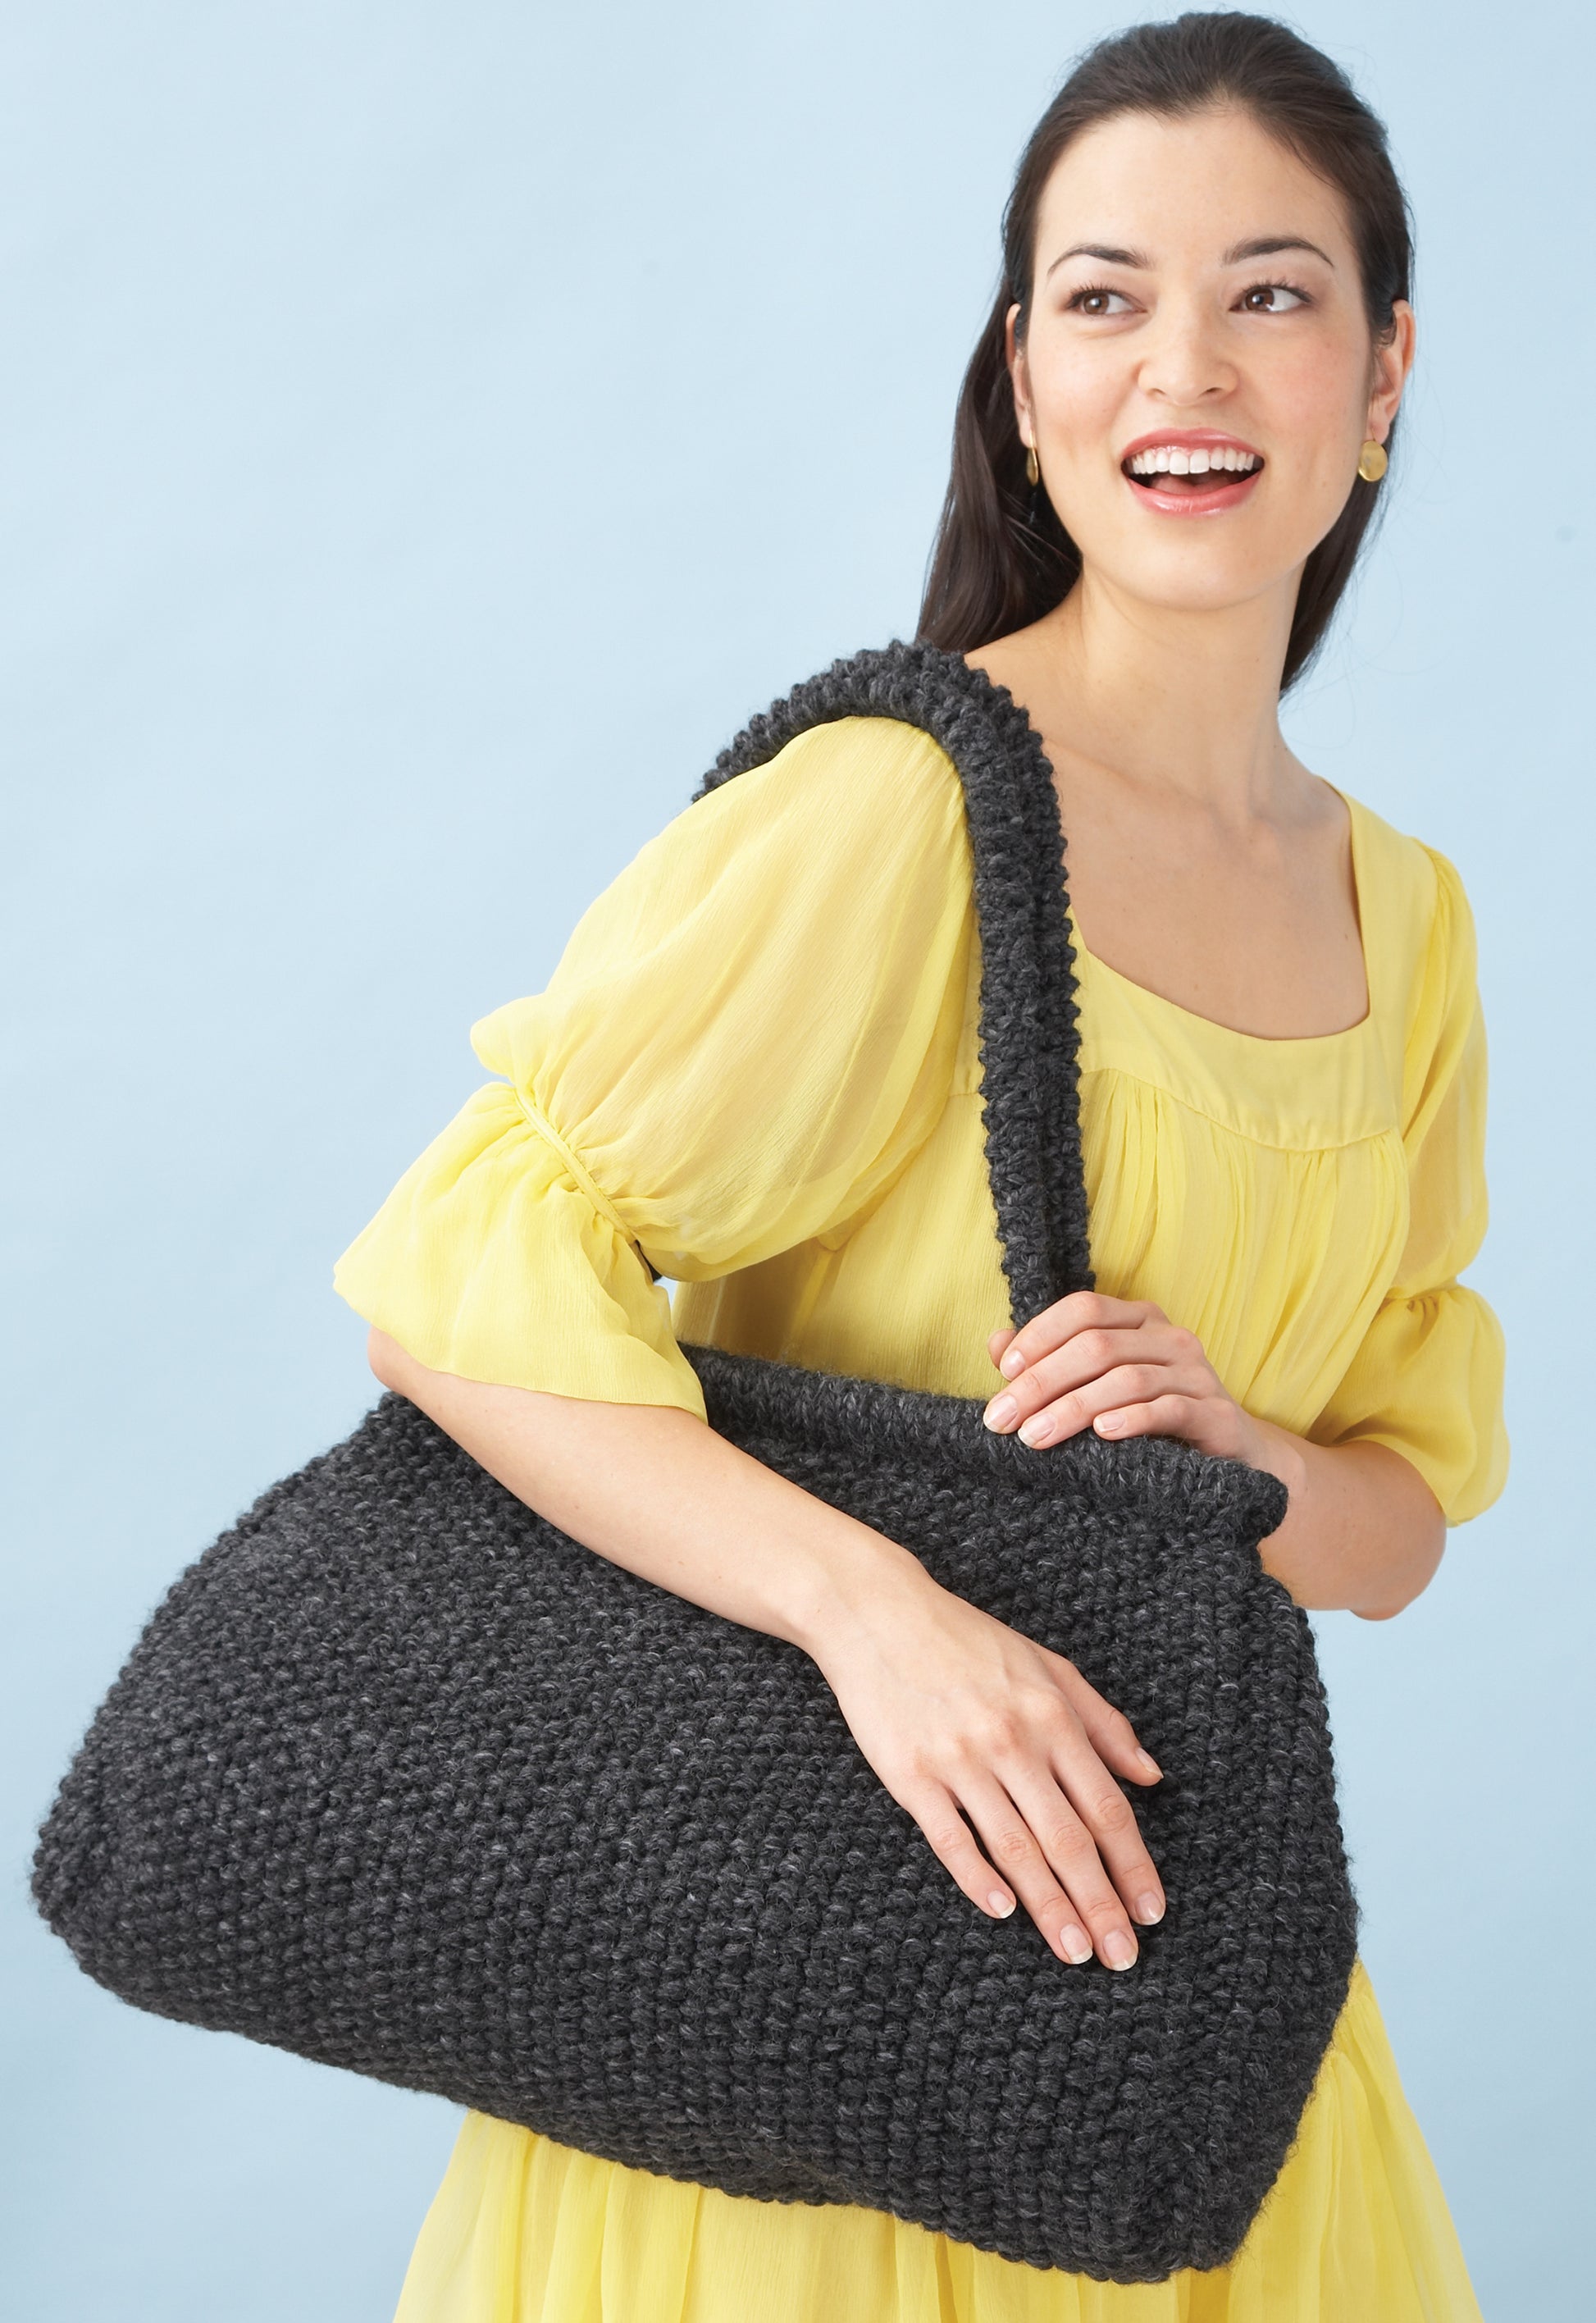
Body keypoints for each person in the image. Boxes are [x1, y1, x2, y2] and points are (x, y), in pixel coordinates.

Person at [334, 13, 1507, 2318]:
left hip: (1189, 2010)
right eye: (1103, 296)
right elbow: (447, 1284)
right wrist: (878, 1621)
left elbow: (1395, 1529)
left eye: (1268, 293)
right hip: (798, 1999)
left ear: (1378, 376)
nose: (1183, 361)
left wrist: (1236, 1452)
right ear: (1020, 380)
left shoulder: (1407, 915)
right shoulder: (896, 815)